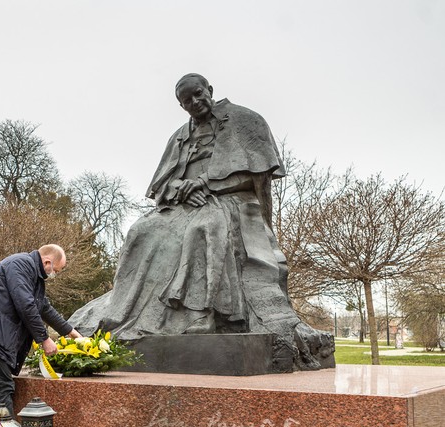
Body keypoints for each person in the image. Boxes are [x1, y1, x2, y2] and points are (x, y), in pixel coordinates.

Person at [71, 74, 333, 370]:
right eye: (187, 101)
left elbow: (257, 176)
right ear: (181, 106)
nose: (195, 102)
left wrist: (206, 184)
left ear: (209, 90)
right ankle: (124, 311)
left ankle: (200, 313)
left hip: (232, 201)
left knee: (203, 228)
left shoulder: (246, 120)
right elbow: (162, 185)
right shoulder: (180, 136)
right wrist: (180, 189)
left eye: (198, 94)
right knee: (141, 231)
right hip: (184, 204)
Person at [0, 245, 80, 417]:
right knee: (2, 389)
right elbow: (26, 305)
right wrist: (44, 339)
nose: (54, 275)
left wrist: (71, 333)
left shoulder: (33, 275)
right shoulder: (20, 264)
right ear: (47, 262)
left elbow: (44, 308)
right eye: (56, 271)